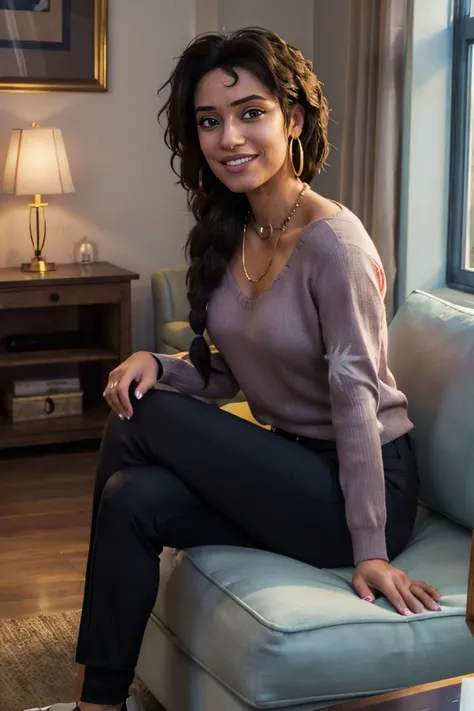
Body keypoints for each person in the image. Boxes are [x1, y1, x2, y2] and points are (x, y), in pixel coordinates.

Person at [35, 26, 442, 711]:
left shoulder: (334, 246)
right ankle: (100, 702)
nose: (230, 138)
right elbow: (227, 374)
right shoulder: (234, 232)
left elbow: (358, 404)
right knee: (132, 496)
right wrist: (155, 362)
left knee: (146, 417)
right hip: (287, 472)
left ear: (294, 120)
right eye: (210, 121)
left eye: (251, 112)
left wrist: (369, 548)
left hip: (357, 490)